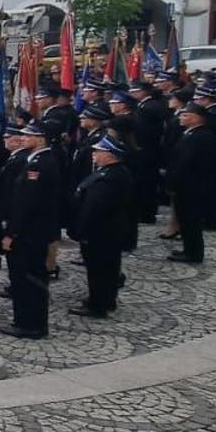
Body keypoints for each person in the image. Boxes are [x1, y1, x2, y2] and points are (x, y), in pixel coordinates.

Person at [0, 123, 60, 339]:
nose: (23, 139)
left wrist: (11, 233)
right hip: (31, 231)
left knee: (28, 279)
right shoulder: (35, 160)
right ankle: (25, 320)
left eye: (29, 135)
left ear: (41, 139)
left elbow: (26, 204)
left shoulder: (40, 164)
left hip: (30, 233)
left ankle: (30, 323)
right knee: (23, 278)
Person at [69, 136, 136, 318]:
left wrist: (81, 230)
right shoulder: (111, 172)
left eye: (99, 152)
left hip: (101, 232)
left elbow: (94, 208)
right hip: (106, 230)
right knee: (104, 267)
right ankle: (103, 298)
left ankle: (98, 304)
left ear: (111, 155)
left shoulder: (111, 177)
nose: (94, 154)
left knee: (100, 269)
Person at [167, 104, 216, 264]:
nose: (181, 118)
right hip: (187, 186)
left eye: (185, 116)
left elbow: (186, 164)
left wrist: (174, 181)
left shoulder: (200, 136)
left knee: (191, 221)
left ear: (196, 118)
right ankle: (189, 249)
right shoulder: (190, 134)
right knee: (186, 220)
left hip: (191, 187)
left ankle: (193, 253)